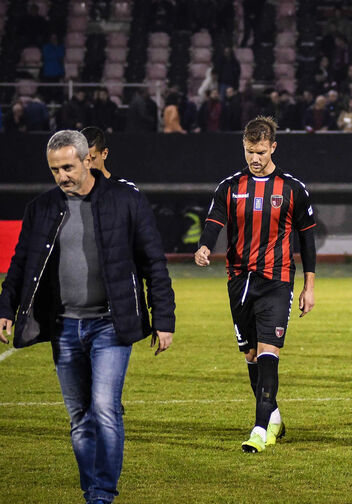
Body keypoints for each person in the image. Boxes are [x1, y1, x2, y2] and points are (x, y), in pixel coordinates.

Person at [0, 130, 175, 503]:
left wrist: (164, 318)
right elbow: (21, 263)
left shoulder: (126, 200)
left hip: (111, 324)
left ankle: (102, 495)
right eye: (54, 169)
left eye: (68, 166)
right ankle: (92, 490)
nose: (62, 175)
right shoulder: (41, 208)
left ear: (87, 161)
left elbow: (153, 263)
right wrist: (6, 308)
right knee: (80, 418)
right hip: (63, 326)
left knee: (105, 409)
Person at [195, 116, 317, 453]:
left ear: (273, 147)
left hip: (276, 281)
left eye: (261, 151)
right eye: (250, 151)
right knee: (250, 354)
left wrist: (309, 284)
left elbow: (307, 240)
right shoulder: (230, 187)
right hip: (239, 281)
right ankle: (273, 414)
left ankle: (260, 429)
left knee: (268, 352)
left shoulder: (292, 189)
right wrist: (205, 246)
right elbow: (214, 221)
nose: (255, 158)